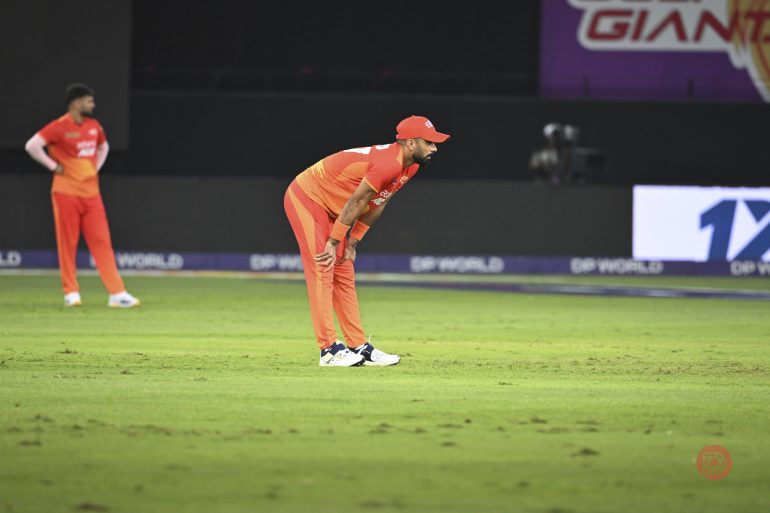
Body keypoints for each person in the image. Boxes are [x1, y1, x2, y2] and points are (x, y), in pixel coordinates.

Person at [284, 115, 450, 366]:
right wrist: (333, 242)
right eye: (429, 142)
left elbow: (379, 201)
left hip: (335, 209)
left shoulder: (410, 166)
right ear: (411, 144)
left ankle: (358, 345)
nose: (434, 148)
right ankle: (328, 350)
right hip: (307, 197)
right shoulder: (387, 164)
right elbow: (357, 201)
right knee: (323, 267)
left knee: (344, 271)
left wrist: (353, 241)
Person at [24, 83, 140, 308]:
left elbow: (104, 148)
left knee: (102, 243)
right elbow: (32, 145)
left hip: (92, 194)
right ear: (76, 103)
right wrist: (53, 166)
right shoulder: (58, 126)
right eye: (89, 100)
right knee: (67, 243)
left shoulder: (94, 126)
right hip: (65, 192)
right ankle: (71, 292)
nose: (92, 105)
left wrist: (94, 168)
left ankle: (117, 293)